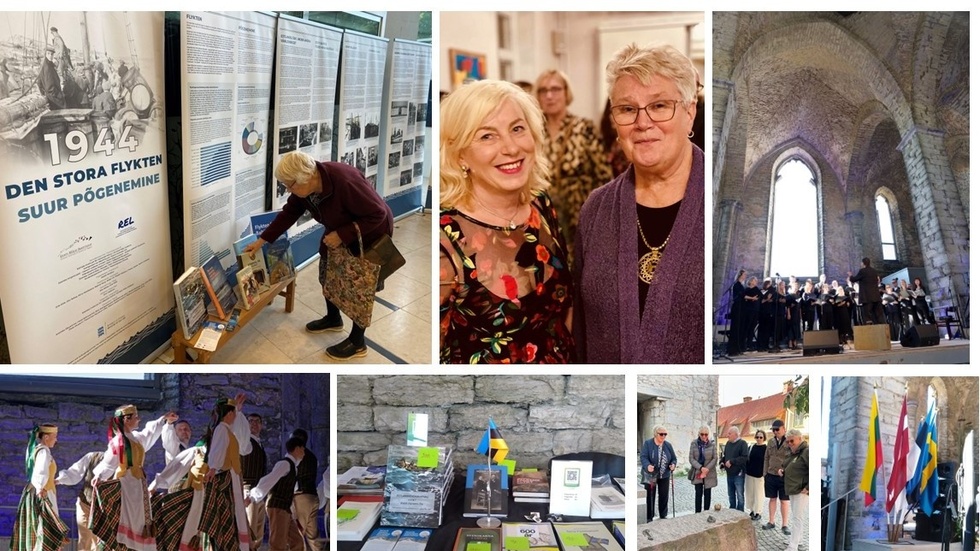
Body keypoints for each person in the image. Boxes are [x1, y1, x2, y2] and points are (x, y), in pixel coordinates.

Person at [575, 43, 704, 364]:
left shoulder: (716, 195)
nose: (642, 123)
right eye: (627, 109)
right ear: (615, 122)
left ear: (690, 113)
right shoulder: (596, 208)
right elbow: (580, 328)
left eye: (660, 105)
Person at [439, 79, 574, 363]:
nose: (511, 148)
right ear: (460, 153)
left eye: (517, 128)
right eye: (487, 136)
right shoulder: (445, 240)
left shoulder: (541, 204)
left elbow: (563, 311)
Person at [244, 150, 394, 360]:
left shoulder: (344, 180)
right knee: (327, 272)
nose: (288, 190)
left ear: (306, 176)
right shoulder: (303, 189)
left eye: (290, 185)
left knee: (360, 287)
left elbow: (377, 213)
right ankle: (333, 319)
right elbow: (289, 213)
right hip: (338, 230)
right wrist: (262, 240)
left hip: (370, 232)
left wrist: (342, 234)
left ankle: (358, 342)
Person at [534, 69, 612, 264]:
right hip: (545, 216)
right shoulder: (533, 132)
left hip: (581, 216)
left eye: (555, 89)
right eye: (543, 90)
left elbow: (604, 176)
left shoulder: (583, 127)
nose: (549, 96)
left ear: (566, 93)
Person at [92, 405, 178, 551]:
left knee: (139, 519)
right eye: (135, 416)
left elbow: (149, 433)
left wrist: (163, 419)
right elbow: (109, 462)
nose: (138, 419)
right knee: (128, 518)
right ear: (126, 419)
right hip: (126, 485)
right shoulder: (119, 441)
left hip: (137, 485)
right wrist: (99, 476)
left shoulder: (136, 438)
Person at [199, 395, 252, 551]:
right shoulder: (221, 429)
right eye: (234, 413)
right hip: (226, 478)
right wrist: (213, 469)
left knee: (233, 514)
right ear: (229, 414)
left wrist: (237, 407)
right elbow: (217, 450)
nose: (235, 416)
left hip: (233, 478)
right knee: (226, 516)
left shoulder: (227, 429)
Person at [11, 424, 69, 551]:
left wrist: (52, 481)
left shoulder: (37, 449)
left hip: (39, 490)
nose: (56, 440)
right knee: (47, 528)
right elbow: (40, 471)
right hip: (43, 493)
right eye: (55, 437)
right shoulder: (43, 451)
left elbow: (41, 472)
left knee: (38, 527)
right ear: (46, 437)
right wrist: (40, 487)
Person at [247, 436, 307, 551]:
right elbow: (268, 480)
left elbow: (290, 491)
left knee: (297, 541)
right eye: (303, 449)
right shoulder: (284, 464)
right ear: (297, 449)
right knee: (278, 543)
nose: (304, 453)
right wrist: (253, 496)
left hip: (285, 509)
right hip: (277, 507)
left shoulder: (293, 467)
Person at [147, 442, 208, 551]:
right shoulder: (197, 451)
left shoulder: (219, 458)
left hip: (207, 500)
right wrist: (154, 486)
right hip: (189, 498)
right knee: (176, 532)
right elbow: (176, 466)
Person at [55, 450, 105, 551]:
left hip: (105, 508)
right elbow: (75, 472)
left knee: (100, 541)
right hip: (85, 504)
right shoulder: (93, 457)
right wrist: (59, 480)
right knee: (85, 540)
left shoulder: (121, 463)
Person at [242, 414, 269, 550]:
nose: (254, 424)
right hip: (248, 489)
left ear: (261, 425)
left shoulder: (259, 443)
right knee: (250, 529)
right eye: (250, 421)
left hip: (259, 491)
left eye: (257, 421)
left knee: (258, 531)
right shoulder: (245, 442)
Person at [290, 428, 320, 551]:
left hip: (301, 497)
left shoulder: (297, 456)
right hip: (312, 496)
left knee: (297, 533)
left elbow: (294, 478)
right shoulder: (312, 457)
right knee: (313, 535)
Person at [780, 429, 809, 551]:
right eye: (787, 441)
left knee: (797, 517)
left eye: (792, 440)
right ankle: (799, 539)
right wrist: (782, 470)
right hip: (792, 488)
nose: (789, 443)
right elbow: (786, 465)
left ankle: (793, 545)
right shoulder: (793, 452)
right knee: (797, 516)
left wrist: (808, 487)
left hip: (800, 489)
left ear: (799, 438)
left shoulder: (806, 452)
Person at [763, 419, 792, 536]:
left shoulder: (789, 441)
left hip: (784, 476)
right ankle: (771, 521)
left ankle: (785, 524)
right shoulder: (770, 442)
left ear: (784, 428)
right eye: (773, 430)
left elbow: (792, 459)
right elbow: (766, 458)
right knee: (772, 499)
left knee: (784, 501)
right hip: (771, 475)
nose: (775, 432)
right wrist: (765, 473)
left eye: (777, 429)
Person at [641, 426, 676, 520]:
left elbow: (673, 458)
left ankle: (663, 515)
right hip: (651, 474)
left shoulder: (668, 445)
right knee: (650, 496)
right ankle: (649, 516)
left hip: (664, 474)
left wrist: (673, 464)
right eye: (661, 434)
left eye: (665, 434)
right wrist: (647, 465)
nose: (663, 436)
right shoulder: (648, 444)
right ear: (655, 434)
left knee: (664, 495)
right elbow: (643, 457)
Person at [687, 426, 717, 513]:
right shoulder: (694, 444)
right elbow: (691, 459)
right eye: (702, 434)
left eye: (706, 434)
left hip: (709, 473)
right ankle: (698, 513)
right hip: (698, 471)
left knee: (708, 494)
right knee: (698, 494)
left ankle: (706, 512)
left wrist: (706, 469)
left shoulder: (712, 444)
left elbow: (715, 458)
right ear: (699, 434)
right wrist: (701, 468)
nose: (704, 436)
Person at [848, 257, 885, 324]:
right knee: (878, 314)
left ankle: (869, 329)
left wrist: (850, 276)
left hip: (867, 296)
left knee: (867, 315)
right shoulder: (874, 271)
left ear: (863, 263)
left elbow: (854, 279)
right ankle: (881, 327)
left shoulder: (862, 271)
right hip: (876, 295)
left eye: (861, 262)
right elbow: (876, 281)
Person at [721, 426, 748, 511]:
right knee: (731, 494)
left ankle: (740, 514)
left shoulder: (743, 443)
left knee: (740, 495)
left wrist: (731, 461)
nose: (727, 435)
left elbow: (744, 458)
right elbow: (725, 456)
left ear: (736, 434)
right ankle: (732, 512)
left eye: (729, 433)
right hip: (729, 474)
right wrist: (722, 462)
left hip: (738, 474)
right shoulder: (728, 443)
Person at [746, 429, 767, 521]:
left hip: (759, 475)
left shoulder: (766, 449)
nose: (759, 439)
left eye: (761, 437)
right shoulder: (751, 447)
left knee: (759, 494)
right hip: (749, 474)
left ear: (764, 438)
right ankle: (751, 510)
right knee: (750, 493)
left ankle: (758, 512)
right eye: (757, 437)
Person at [727, 269, 746, 355]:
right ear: (740, 275)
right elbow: (740, 295)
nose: (745, 276)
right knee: (735, 328)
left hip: (741, 308)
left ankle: (737, 348)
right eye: (744, 274)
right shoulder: (736, 285)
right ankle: (732, 349)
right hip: (737, 307)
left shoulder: (741, 285)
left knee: (740, 328)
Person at [742, 276, 762, 351]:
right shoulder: (747, 289)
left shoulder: (757, 289)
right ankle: (743, 345)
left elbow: (760, 297)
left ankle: (749, 345)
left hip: (756, 310)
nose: (756, 281)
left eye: (756, 280)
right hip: (749, 310)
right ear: (750, 281)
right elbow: (744, 297)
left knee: (752, 328)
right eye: (754, 280)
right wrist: (752, 298)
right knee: (747, 327)